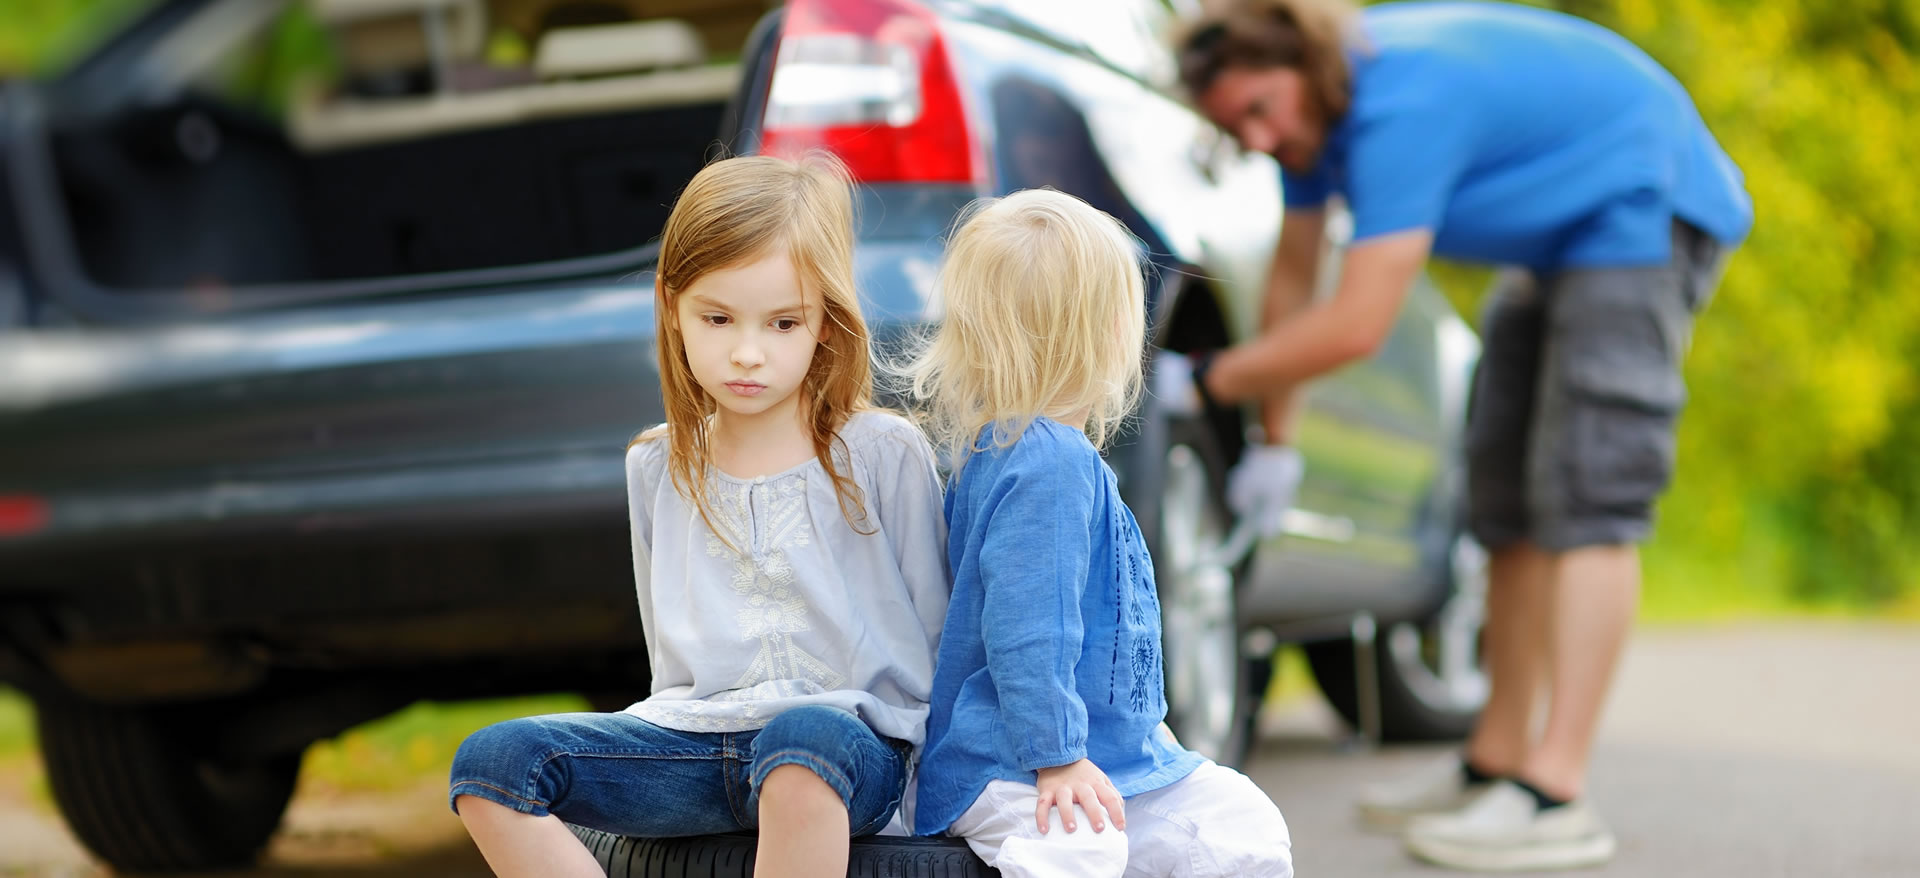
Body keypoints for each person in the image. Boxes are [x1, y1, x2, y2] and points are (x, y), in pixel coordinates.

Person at [1172, 0, 1752, 871]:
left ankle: (1555, 794)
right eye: (1234, 126)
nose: (1256, 137)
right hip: (1555, 244)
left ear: (1304, 61)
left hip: (1640, 206)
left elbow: (1359, 321)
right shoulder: (1311, 130)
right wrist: (1276, 441)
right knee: (1504, 497)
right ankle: (1496, 763)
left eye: (1260, 108)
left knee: (1590, 492)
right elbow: (1293, 282)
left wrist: (1207, 379)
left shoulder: (1401, 104)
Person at [446, 154, 949, 878]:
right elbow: (668, 651)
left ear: (826, 324)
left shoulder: (882, 452)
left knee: (801, 742)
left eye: (783, 323)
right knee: (492, 764)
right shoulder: (655, 464)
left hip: (847, 751)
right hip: (691, 745)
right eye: (717, 318)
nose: (748, 352)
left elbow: (935, 637)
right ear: (671, 306)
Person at [900, 188, 1293, 878]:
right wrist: (1055, 756)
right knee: (1078, 851)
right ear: (1115, 329)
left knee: (1234, 823)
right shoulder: (1049, 462)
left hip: (1106, 754)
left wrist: (1142, 736)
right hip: (1013, 760)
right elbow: (1030, 627)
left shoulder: (1019, 452)